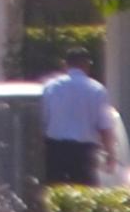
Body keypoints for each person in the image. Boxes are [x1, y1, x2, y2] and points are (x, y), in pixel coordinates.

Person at [36, 57, 123, 188]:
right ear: (87, 65)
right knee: (84, 194)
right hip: (83, 152)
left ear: (65, 65)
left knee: (55, 192)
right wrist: (111, 154)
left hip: (55, 150)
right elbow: (105, 126)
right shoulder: (97, 89)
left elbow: (42, 120)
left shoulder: (51, 87)